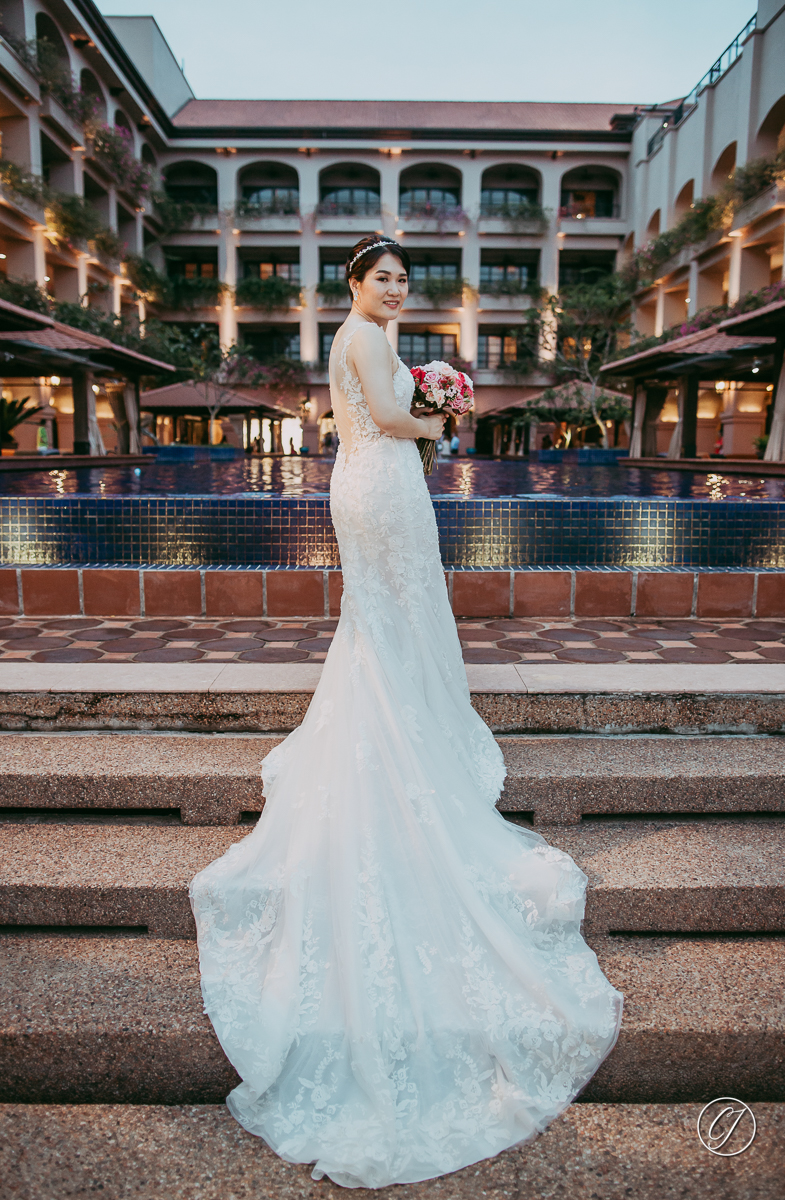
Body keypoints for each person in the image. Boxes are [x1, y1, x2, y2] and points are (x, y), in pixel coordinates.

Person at [189, 234, 622, 1189]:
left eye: (402, 279)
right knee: (390, 619)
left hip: (369, 490)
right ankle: (396, 746)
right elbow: (385, 416)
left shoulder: (359, 334)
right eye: (383, 277)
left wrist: (432, 404)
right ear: (354, 282)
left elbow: (377, 413)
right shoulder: (365, 339)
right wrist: (440, 413)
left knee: (382, 623)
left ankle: (396, 732)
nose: (396, 289)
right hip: (380, 487)